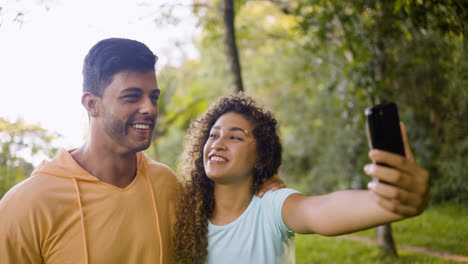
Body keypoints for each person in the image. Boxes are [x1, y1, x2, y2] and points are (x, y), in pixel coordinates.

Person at [0, 38, 282, 264]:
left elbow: (224, 223)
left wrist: (260, 186)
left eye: (153, 96)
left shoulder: (167, 185)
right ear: (92, 104)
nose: (149, 108)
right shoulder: (27, 205)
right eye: (132, 96)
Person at [173, 93, 430, 264]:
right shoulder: (185, 214)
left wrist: (388, 202)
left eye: (235, 137)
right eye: (213, 135)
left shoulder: (272, 206)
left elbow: (319, 211)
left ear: (260, 155)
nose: (217, 144)